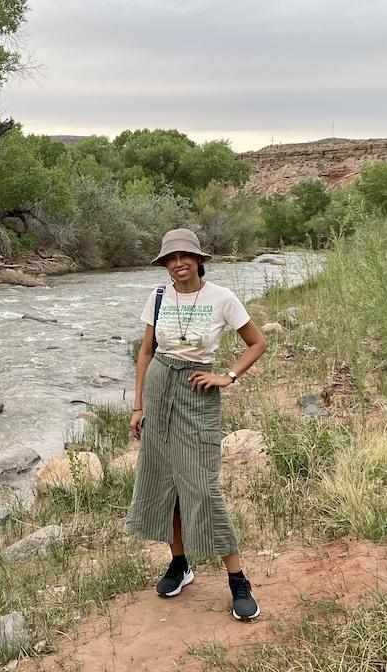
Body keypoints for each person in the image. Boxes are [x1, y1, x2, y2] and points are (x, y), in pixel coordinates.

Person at [125, 228, 268, 621]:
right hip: (158, 388)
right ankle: (180, 563)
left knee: (202, 486)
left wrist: (228, 376)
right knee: (163, 481)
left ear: (199, 259)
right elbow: (145, 352)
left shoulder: (223, 298)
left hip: (196, 392)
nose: (178, 264)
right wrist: (137, 406)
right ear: (165, 264)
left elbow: (257, 343)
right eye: (170, 258)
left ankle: (238, 579)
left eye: (185, 256)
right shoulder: (157, 297)